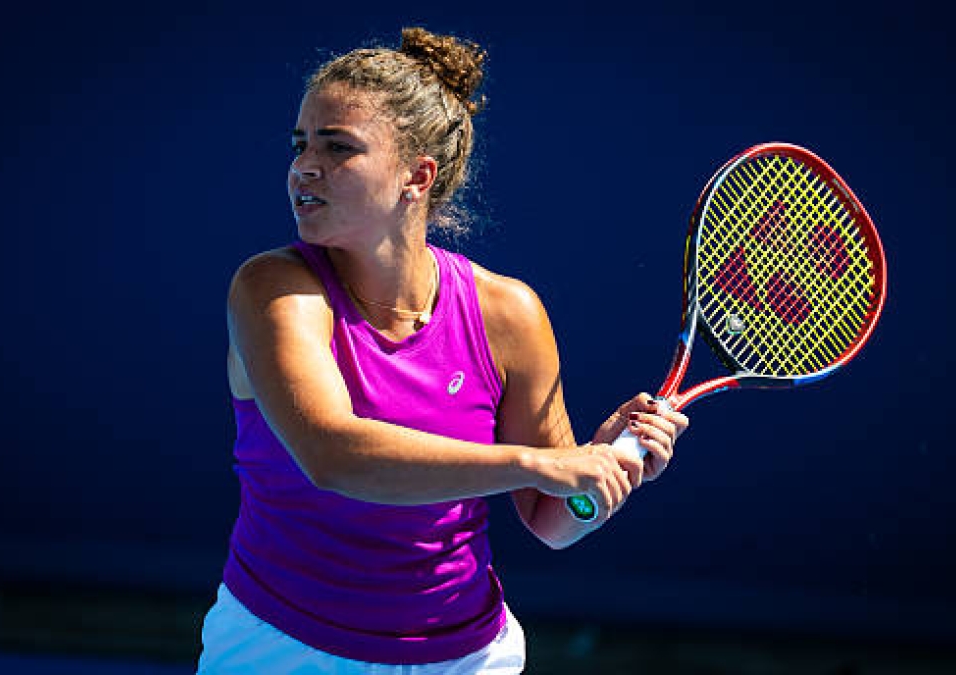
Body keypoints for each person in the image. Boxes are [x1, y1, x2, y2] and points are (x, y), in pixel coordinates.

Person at [197, 27, 689, 674]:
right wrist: (542, 462)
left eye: (338, 146)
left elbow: (552, 520)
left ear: (417, 176)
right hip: (281, 647)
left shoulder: (508, 313)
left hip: (467, 656)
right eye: (300, 144)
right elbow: (333, 454)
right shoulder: (273, 288)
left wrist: (604, 468)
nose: (304, 165)